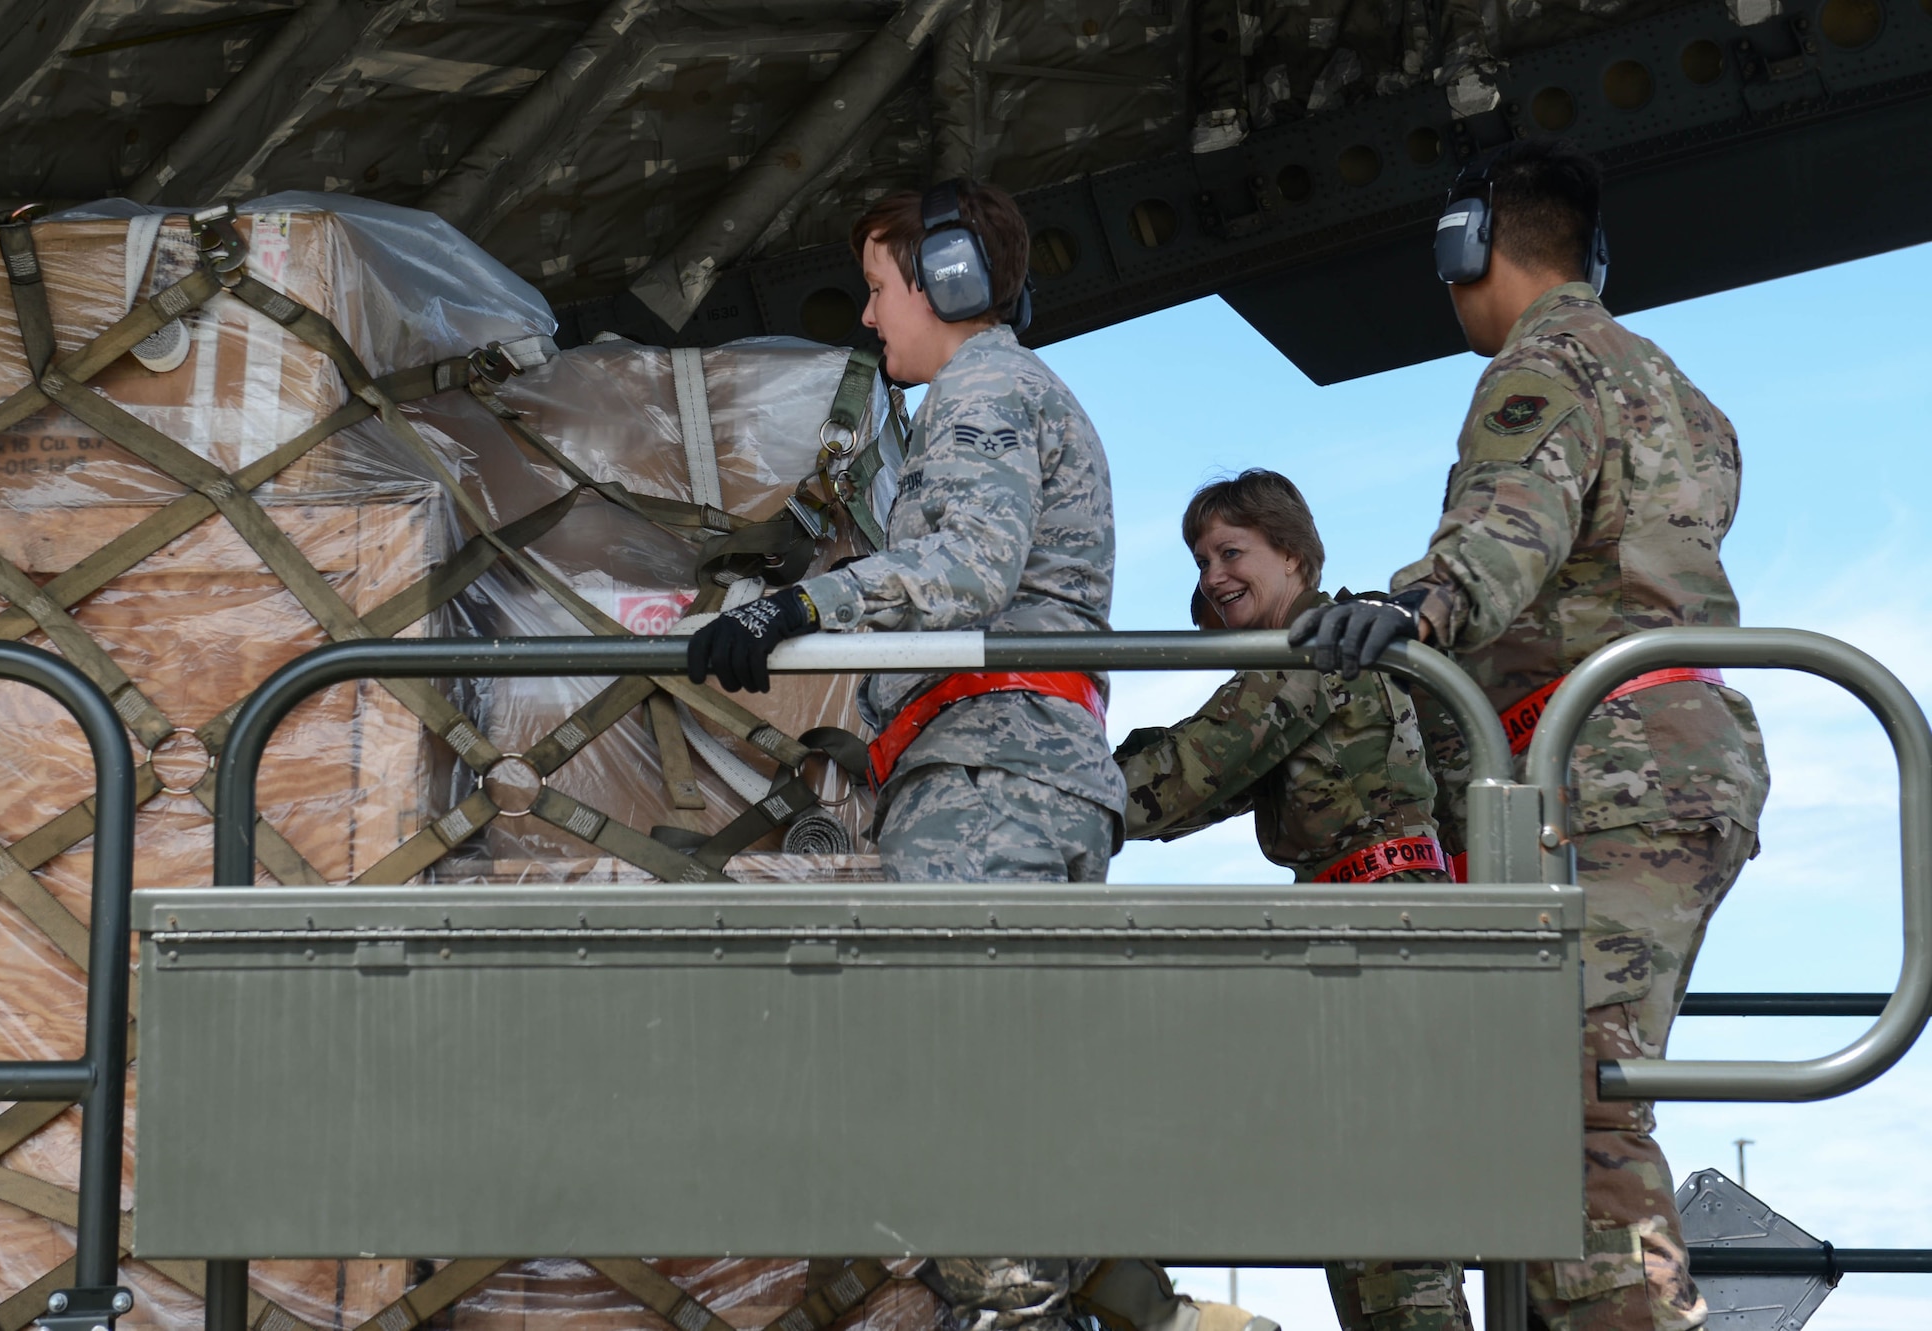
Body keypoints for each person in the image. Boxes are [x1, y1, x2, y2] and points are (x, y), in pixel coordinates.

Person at [1290, 140, 1769, 1331]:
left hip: (1605, 766)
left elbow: (1514, 520)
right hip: (1675, 756)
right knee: (1577, 1096)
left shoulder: (1541, 366)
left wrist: (1415, 607)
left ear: (1467, 248)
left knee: (1567, 1113)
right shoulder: (1675, 388)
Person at [687, 178, 1133, 1331]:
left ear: (949, 280)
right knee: (997, 1086)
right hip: (1020, 777)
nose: (872, 318)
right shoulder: (1004, 393)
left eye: (881, 288)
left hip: (994, 778)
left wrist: (795, 612)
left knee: (952, 1082)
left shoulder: (982, 387)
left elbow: (971, 562)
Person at [1113, 469, 1467, 1331]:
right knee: (1367, 1217)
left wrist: (1032, 789)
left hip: (1375, 940)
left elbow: (1186, 776)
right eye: (1201, 560)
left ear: (1296, 556)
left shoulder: (1316, 653)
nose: (1212, 576)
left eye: (1232, 552)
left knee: (1388, 1228)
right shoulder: (1350, 647)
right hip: (1376, 933)